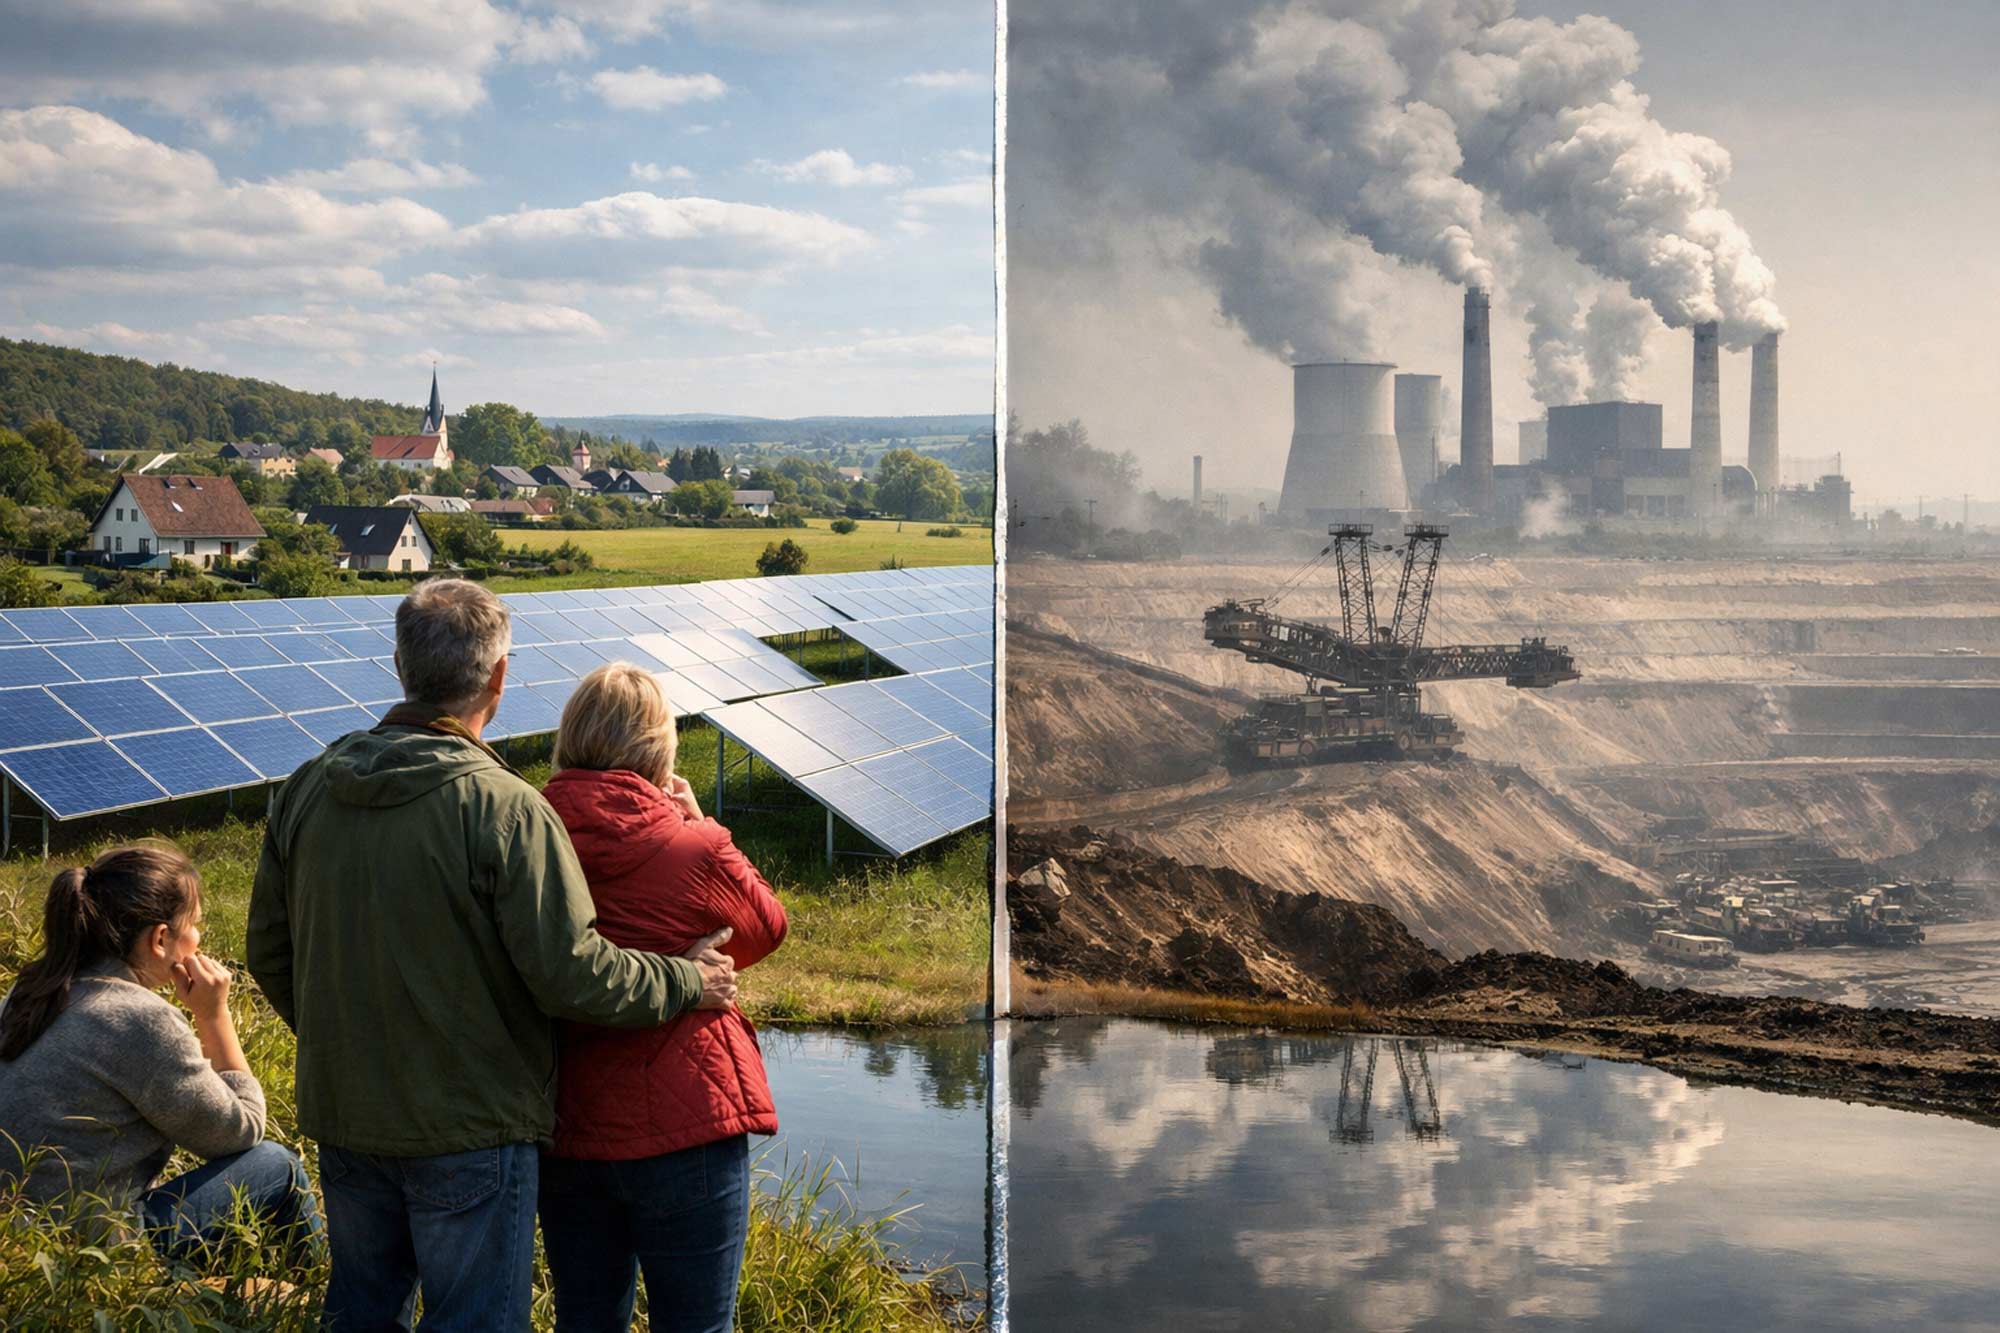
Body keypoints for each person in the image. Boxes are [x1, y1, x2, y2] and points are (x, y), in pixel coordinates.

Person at [247, 579, 738, 1331]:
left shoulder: (307, 787)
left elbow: (270, 954)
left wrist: (342, 1044)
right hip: (472, 1131)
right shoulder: (505, 807)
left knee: (360, 1314)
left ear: (400, 664)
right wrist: (686, 979)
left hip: (347, 1117)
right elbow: (571, 972)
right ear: (500, 677)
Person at [536, 663, 789, 1333]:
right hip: (690, 1129)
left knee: (585, 1321)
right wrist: (702, 822)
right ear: (657, 746)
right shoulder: (691, 844)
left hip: (567, 1125)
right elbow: (766, 927)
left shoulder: (526, 833)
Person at [0, 843, 321, 1265]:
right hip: (91, 1250)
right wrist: (214, 1016)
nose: (200, 938)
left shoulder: (27, 994)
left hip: (20, 1241)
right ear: (161, 938)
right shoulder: (138, 1019)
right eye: (196, 925)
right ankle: (316, 1300)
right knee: (278, 1166)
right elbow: (242, 1131)